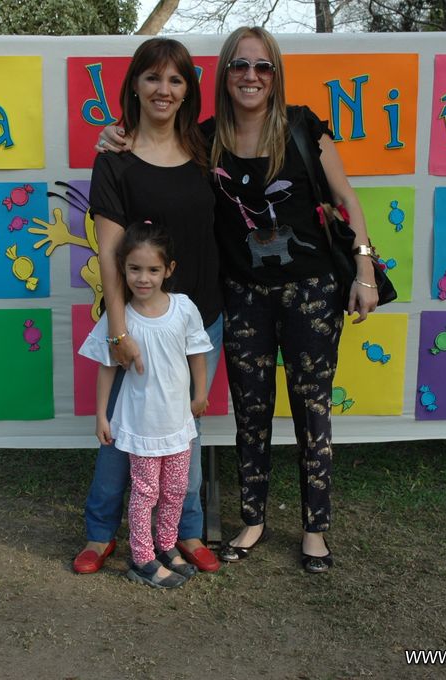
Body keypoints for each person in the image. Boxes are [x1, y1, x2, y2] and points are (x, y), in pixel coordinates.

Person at [98, 27, 379, 573]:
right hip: (243, 296)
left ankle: (315, 530)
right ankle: (252, 521)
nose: (252, 76)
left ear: (276, 74)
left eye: (263, 66)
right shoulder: (205, 142)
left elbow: (346, 199)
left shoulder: (303, 128)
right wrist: (114, 135)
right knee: (251, 414)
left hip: (311, 293)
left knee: (312, 412)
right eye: (240, 66)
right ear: (224, 74)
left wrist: (363, 268)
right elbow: (154, 146)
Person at [71, 37, 225, 577]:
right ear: (134, 85)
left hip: (199, 319)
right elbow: (110, 253)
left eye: (176, 79)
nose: (164, 89)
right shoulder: (113, 158)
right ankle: (100, 533)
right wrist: (119, 331)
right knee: (121, 433)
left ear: (188, 91)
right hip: (134, 325)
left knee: (184, 430)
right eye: (153, 77)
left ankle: (186, 531)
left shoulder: (207, 149)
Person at [79, 222, 213, 588]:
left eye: (153, 269)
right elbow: (107, 367)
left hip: (177, 424)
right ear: (122, 268)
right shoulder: (119, 319)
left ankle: (166, 546)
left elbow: (197, 352)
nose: (143, 278)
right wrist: (101, 415)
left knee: (175, 490)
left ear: (169, 269)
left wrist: (200, 394)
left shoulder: (183, 308)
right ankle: (142, 558)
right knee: (145, 492)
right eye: (134, 269)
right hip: (141, 426)